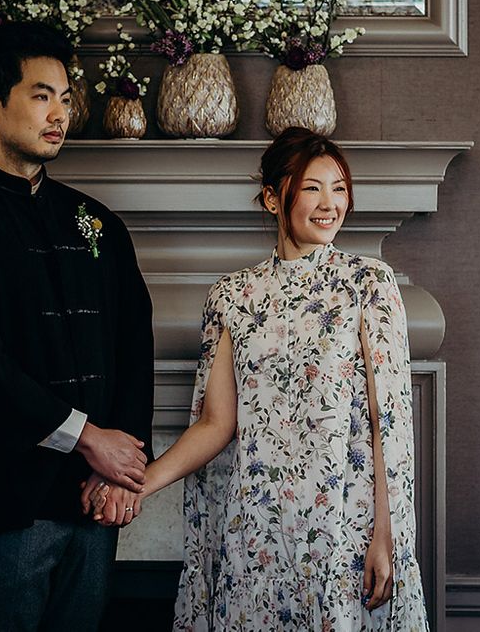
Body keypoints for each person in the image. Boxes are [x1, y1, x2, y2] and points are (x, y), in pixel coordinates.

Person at [85, 127, 428, 630]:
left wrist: (388, 534)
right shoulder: (232, 296)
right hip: (257, 534)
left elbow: (388, 422)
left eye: (338, 187)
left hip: (343, 529)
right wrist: (136, 484)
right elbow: (215, 424)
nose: (330, 202)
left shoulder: (368, 283)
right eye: (312, 187)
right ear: (272, 197)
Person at [0, 20, 154, 632]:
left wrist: (123, 469)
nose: (60, 113)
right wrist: (89, 436)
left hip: (94, 507)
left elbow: (134, 346)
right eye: (42, 96)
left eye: (66, 98)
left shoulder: (99, 224)